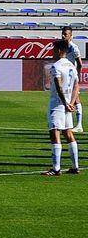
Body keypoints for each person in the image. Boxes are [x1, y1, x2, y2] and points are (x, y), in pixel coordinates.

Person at [46, 39, 81, 176]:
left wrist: (65, 103)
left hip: (57, 103)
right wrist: (71, 102)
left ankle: (56, 168)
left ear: (60, 51)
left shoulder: (56, 66)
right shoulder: (71, 66)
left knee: (54, 132)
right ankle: (75, 166)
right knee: (68, 132)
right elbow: (76, 85)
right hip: (68, 103)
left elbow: (58, 86)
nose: (53, 52)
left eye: (54, 50)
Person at [59, 26, 83, 132]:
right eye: (63, 33)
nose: (63, 35)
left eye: (66, 34)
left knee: (75, 99)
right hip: (65, 76)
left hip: (71, 77)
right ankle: (71, 123)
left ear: (71, 35)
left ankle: (79, 125)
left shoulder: (74, 48)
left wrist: (76, 77)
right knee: (67, 98)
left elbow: (80, 64)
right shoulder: (62, 46)